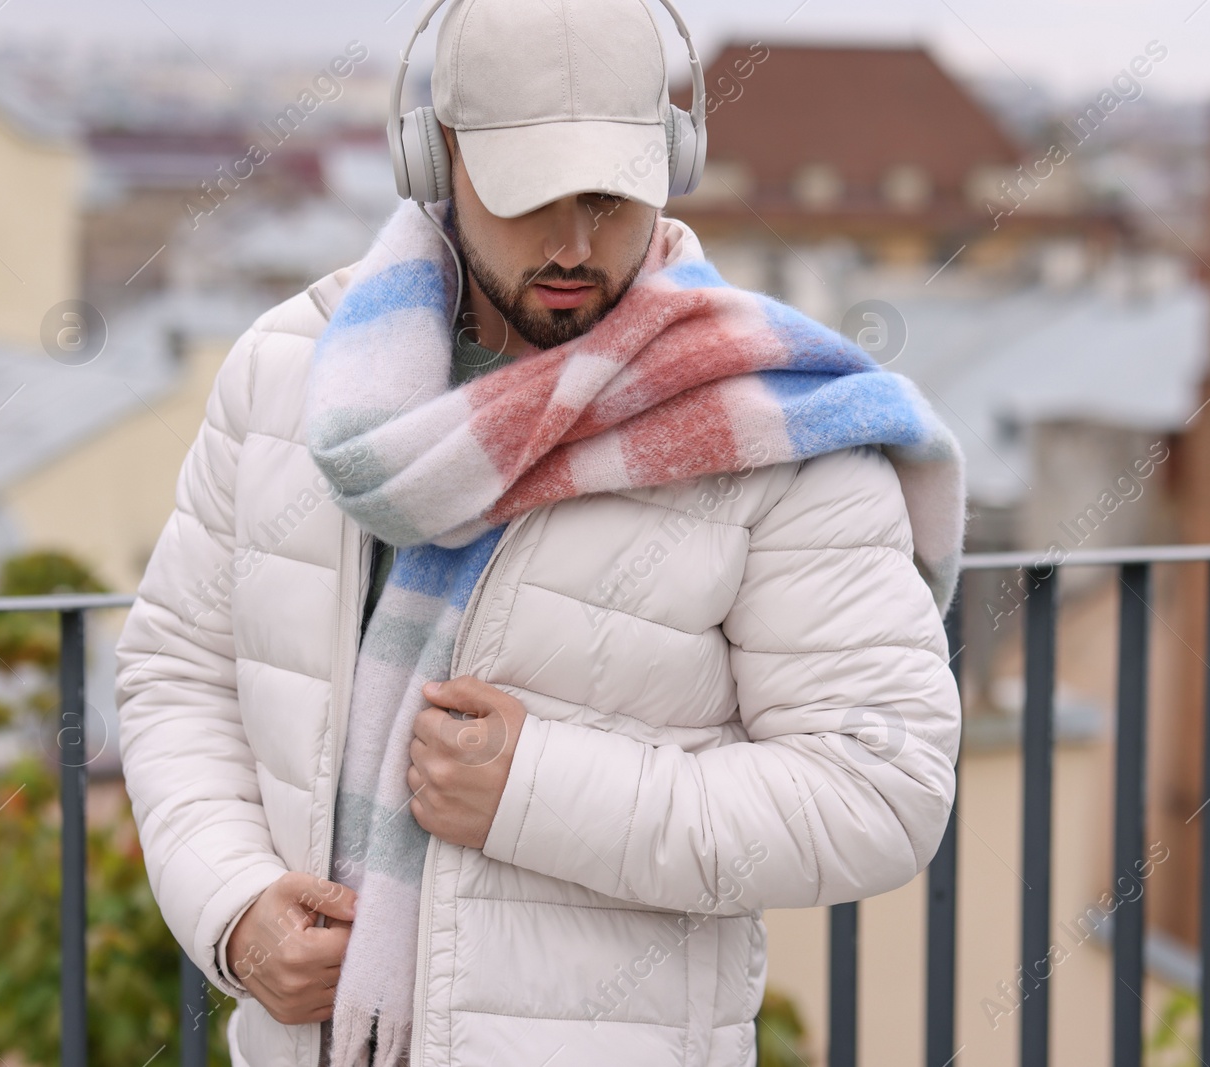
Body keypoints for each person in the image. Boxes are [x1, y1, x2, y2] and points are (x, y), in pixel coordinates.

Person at [114, 0, 965, 1064]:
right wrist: (233, 908)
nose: (572, 242)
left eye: (609, 199)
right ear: (435, 158)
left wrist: (531, 789)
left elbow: (881, 787)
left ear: (672, 161)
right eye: (529, 197)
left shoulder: (781, 430)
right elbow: (177, 673)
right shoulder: (290, 377)